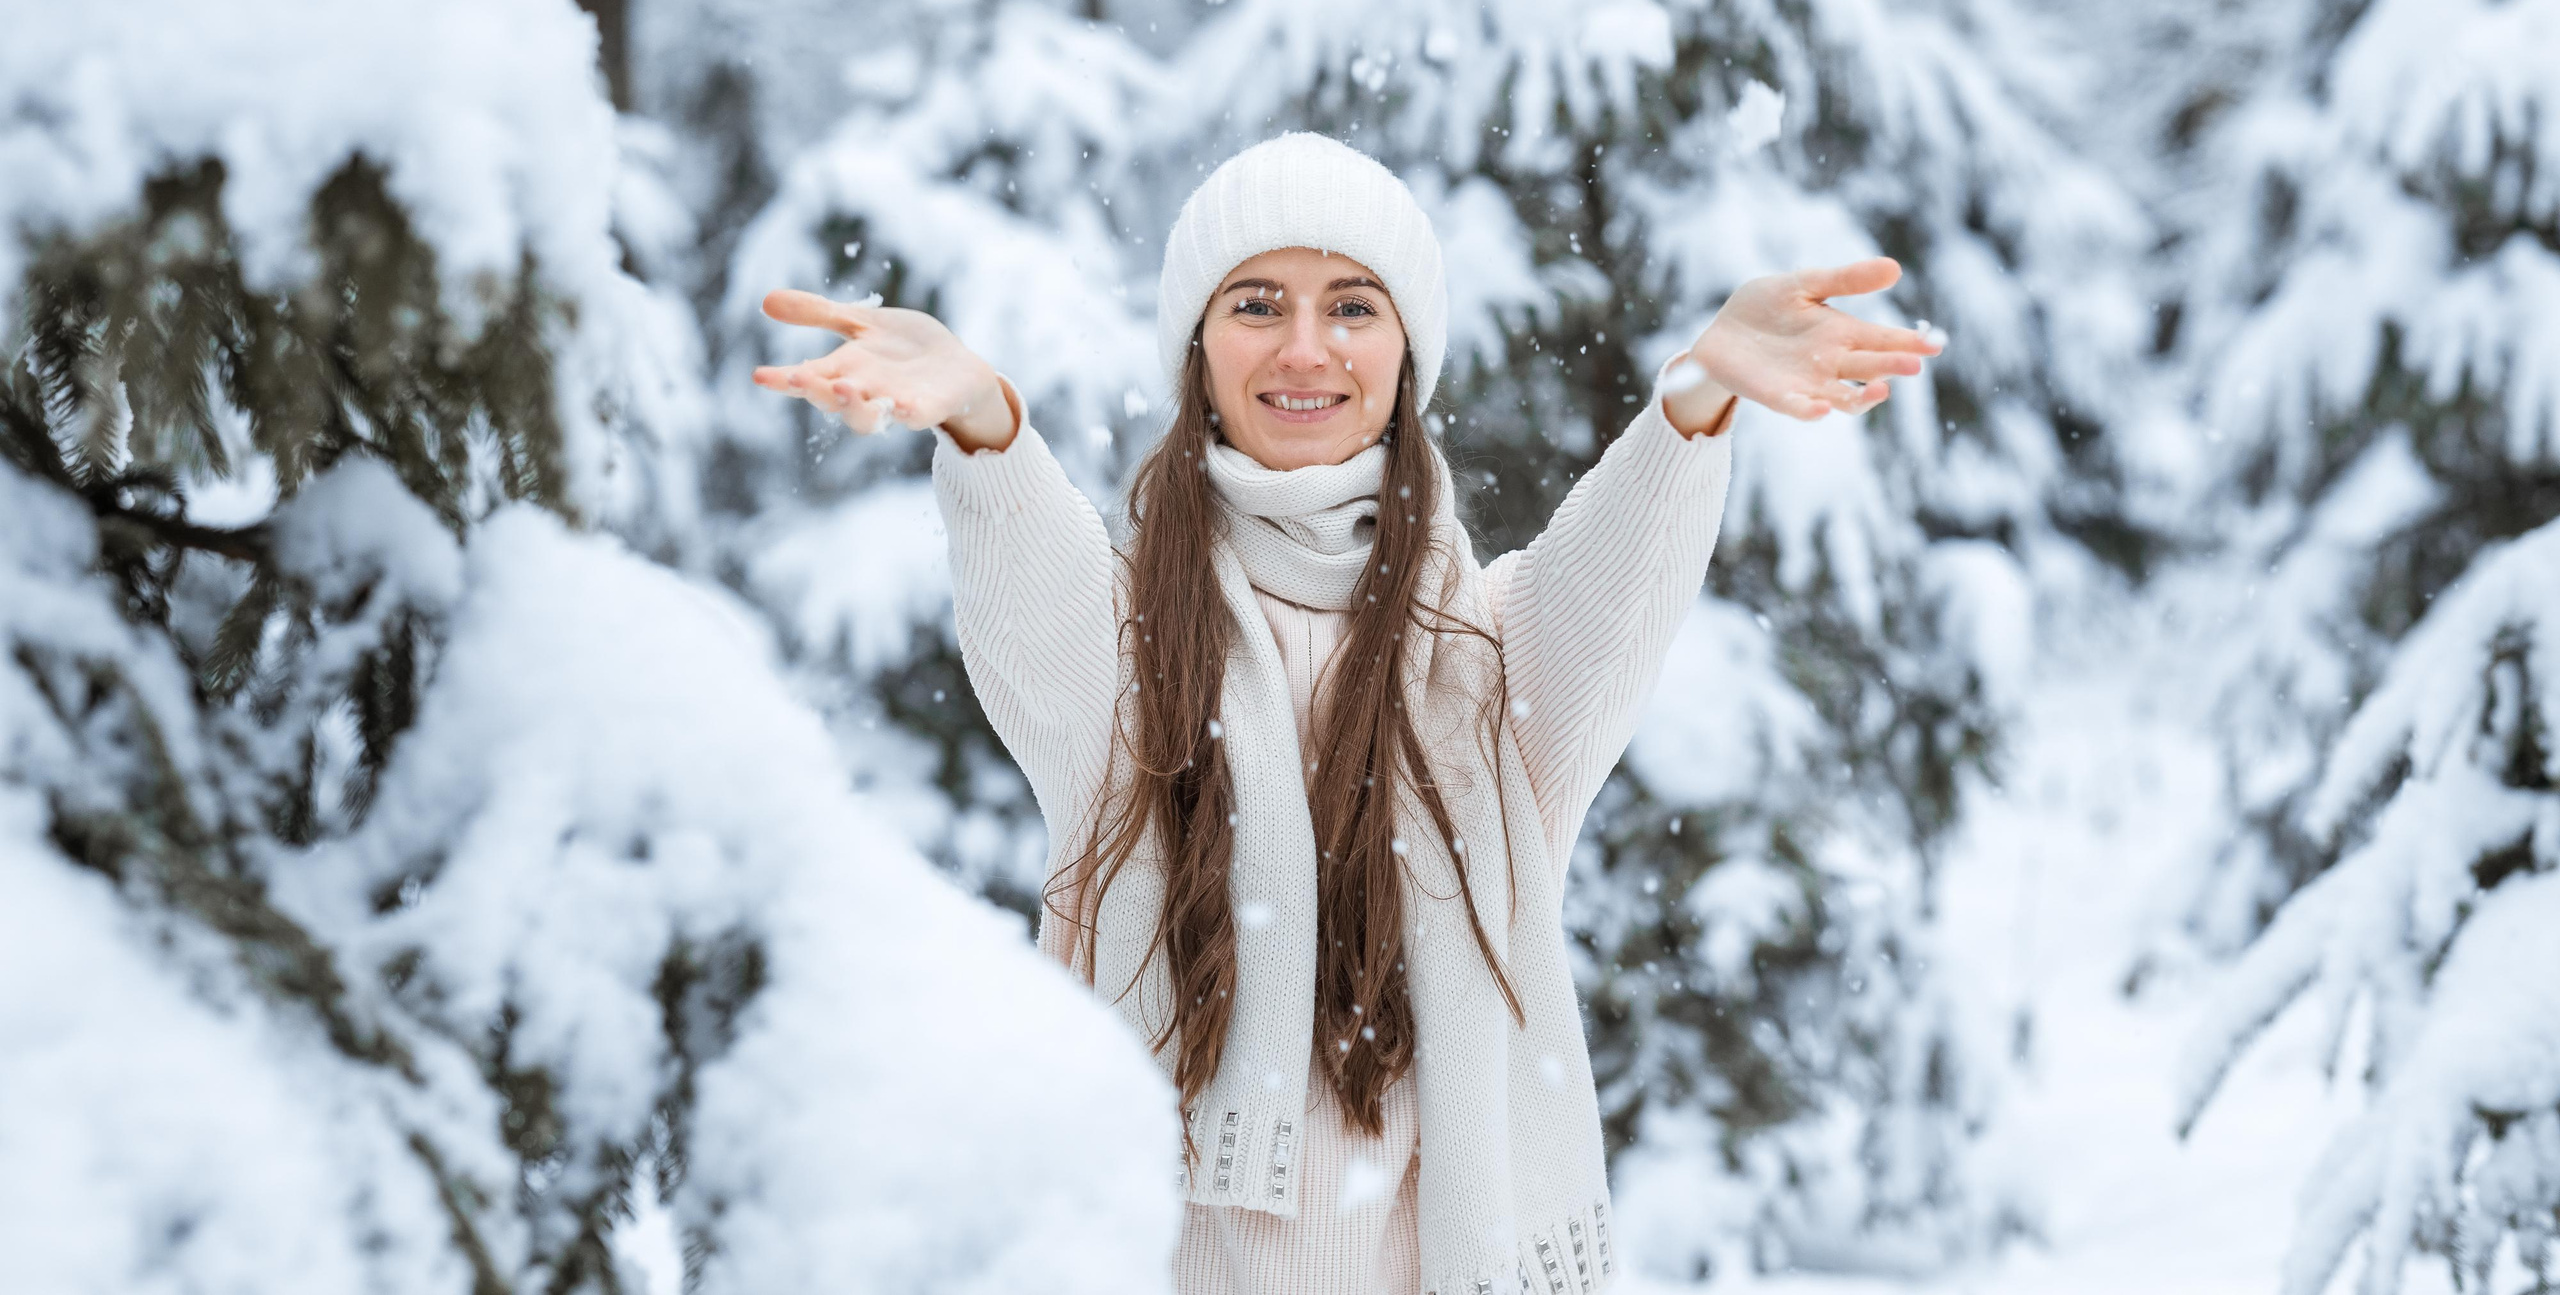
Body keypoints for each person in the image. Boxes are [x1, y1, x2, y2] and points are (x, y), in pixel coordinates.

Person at [752, 133, 1941, 1295]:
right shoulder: (1130, 653)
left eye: (1354, 306)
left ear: (1407, 353)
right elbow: (1030, 578)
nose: (1305, 348)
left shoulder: (1485, 658)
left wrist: (1693, 402)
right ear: (1199, 349)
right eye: (1258, 304)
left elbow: (1615, 568)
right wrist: (981, 423)